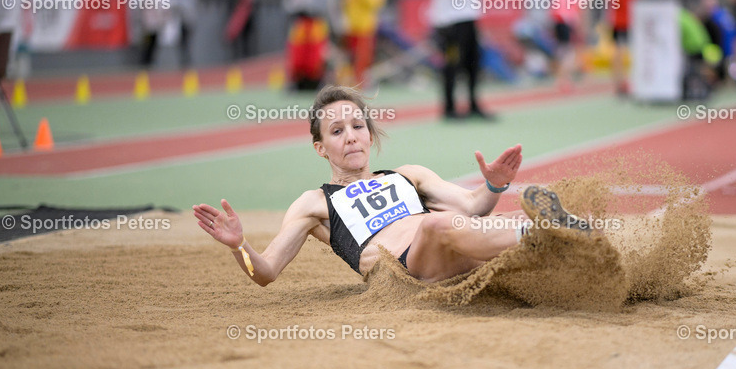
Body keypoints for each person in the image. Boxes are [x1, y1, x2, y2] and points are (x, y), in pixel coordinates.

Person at [193, 86, 592, 284]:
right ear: (320, 147)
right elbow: (265, 272)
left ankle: (576, 239)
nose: (350, 136)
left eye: (357, 126)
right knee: (436, 224)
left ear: (369, 134)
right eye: (336, 131)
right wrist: (238, 246)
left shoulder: (408, 175)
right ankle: (542, 233)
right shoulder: (314, 203)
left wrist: (493, 186)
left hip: (456, 249)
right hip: (405, 272)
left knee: (452, 219)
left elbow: (473, 208)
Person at [599, 0, 647, 96]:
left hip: (618, 17)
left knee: (618, 51)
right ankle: (633, 82)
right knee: (634, 50)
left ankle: (619, 83)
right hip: (632, 17)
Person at [343, 0, 387, 88]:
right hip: (362, 25)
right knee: (361, 57)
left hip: (353, 23)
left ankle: (353, 82)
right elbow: (373, 1)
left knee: (353, 56)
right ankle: (358, 84)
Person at [550, 0, 594, 92]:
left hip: (558, 19)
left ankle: (563, 78)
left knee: (563, 49)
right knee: (572, 51)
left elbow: (554, 4)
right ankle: (564, 79)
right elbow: (584, 9)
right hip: (570, 20)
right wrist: (584, 27)